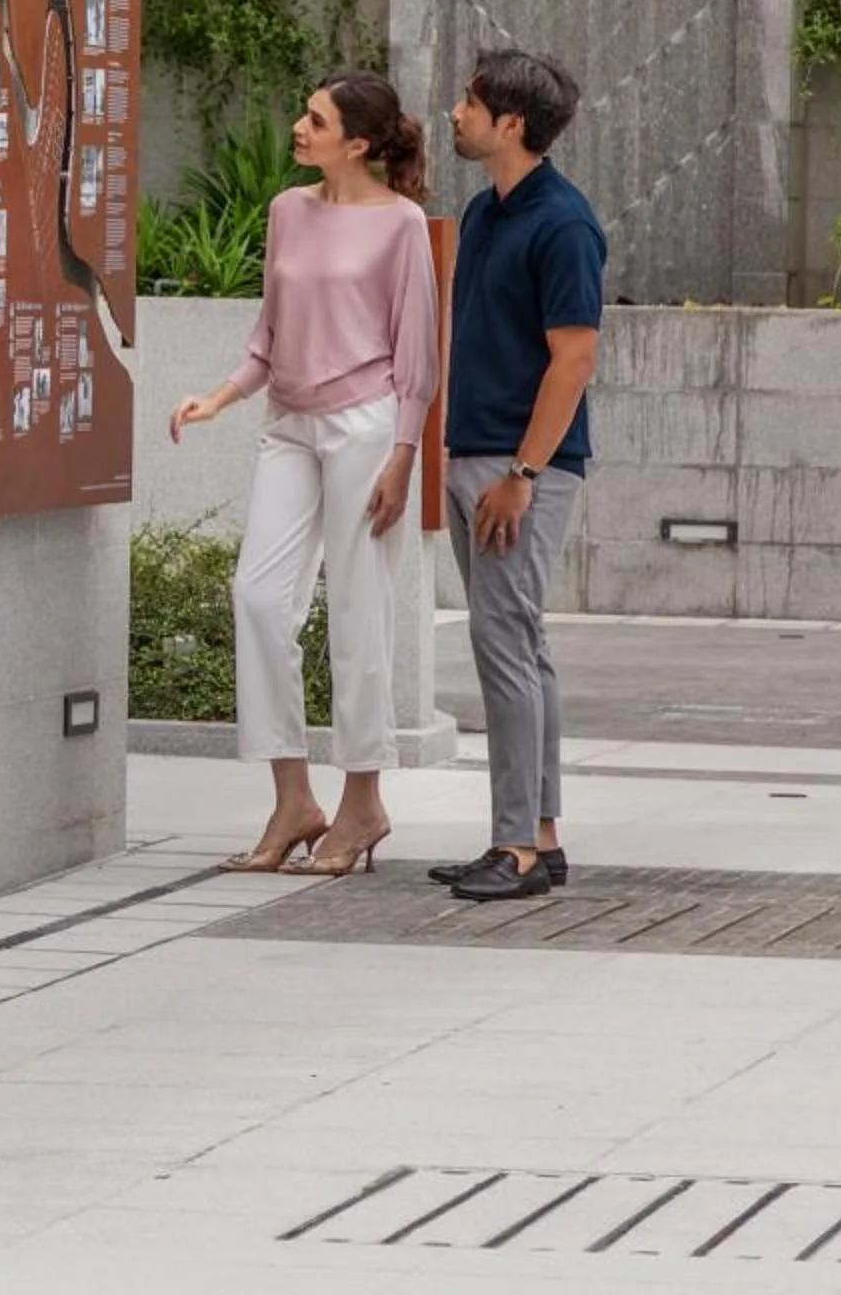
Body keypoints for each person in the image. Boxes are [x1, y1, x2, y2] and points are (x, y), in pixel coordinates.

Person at [170, 73, 437, 877]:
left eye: (314, 119)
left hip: (366, 428)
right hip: (288, 422)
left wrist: (404, 454)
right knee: (257, 594)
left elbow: (418, 356)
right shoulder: (289, 210)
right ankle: (294, 799)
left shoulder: (403, 226)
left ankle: (363, 803)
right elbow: (267, 333)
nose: (297, 126)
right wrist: (217, 398)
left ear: (357, 142)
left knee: (358, 614)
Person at [428, 49, 604, 904]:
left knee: (505, 647)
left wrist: (524, 471)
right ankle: (537, 836)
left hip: (522, 466)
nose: (456, 112)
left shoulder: (563, 223)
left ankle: (517, 851)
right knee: (519, 647)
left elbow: (573, 359)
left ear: (512, 125)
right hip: (478, 454)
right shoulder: (484, 210)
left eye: (471, 102)